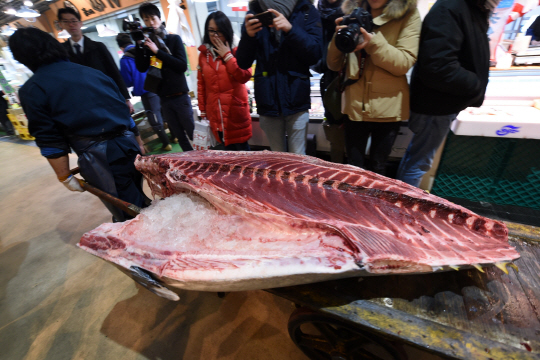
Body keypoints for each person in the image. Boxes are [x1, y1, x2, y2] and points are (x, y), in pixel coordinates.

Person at [10, 27, 148, 222]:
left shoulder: (34, 88)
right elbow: (122, 110)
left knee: (129, 213)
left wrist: (63, 176)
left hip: (101, 157)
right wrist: (139, 142)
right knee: (135, 199)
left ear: (22, 57)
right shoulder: (93, 73)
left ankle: (149, 246)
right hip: (129, 145)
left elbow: (49, 138)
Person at [396, 0, 495, 187]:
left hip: (440, 103)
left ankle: (399, 206)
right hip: (436, 105)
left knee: (416, 159)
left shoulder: (469, 9)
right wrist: (476, 84)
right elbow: (438, 66)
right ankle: (402, 210)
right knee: (419, 163)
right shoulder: (452, 8)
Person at [327, 0, 420, 176]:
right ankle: (353, 203)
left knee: (378, 169)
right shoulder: (354, 13)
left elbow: (404, 63)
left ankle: (374, 204)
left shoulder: (408, 14)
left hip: (388, 108)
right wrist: (340, 37)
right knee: (354, 169)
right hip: (354, 106)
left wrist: (372, 43)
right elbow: (333, 64)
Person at [235, 0, 323, 155]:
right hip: (268, 101)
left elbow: (315, 54)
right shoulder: (254, 13)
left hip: (296, 99)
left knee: (298, 159)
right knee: (277, 158)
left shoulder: (306, 10)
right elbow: (243, 62)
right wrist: (248, 37)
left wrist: (291, 30)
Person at [134, 3, 194, 152]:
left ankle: (207, 162)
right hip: (164, 100)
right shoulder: (147, 45)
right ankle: (192, 165)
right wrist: (139, 44)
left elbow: (181, 65)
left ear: (159, 18)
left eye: (153, 18)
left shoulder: (173, 39)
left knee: (194, 134)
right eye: (146, 20)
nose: (151, 23)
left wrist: (158, 51)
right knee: (180, 137)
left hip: (181, 97)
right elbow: (141, 67)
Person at [57, 7, 134, 114]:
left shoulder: (98, 47)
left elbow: (114, 72)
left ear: (80, 23)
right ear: (61, 24)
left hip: (106, 97)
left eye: (73, 21)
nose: (71, 24)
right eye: (66, 21)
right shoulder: (62, 52)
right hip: (82, 104)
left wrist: (126, 98)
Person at [197, 11, 253, 151]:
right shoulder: (204, 55)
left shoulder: (236, 49)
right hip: (214, 115)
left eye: (219, 31)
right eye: (211, 31)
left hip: (235, 113)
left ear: (226, 31)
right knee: (224, 161)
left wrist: (227, 56)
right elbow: (201, 85)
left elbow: (245, 76)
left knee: (243, 159)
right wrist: (203, 111)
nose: (215, 35)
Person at [116, 33, 172, 151]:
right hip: (160, 85)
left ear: (121, 47)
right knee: (165, 112)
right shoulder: (145, 50)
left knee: (153, 116)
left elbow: (127, 81)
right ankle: (175, 136)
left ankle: (166, 143)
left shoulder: (125, 59)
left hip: (146, 90)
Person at [316, 0, 347, 163]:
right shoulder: (316, 14)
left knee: (355, 141)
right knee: (336, 141)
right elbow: (316, 58)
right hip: (330, 82)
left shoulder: (353, 10)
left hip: (353, 79)